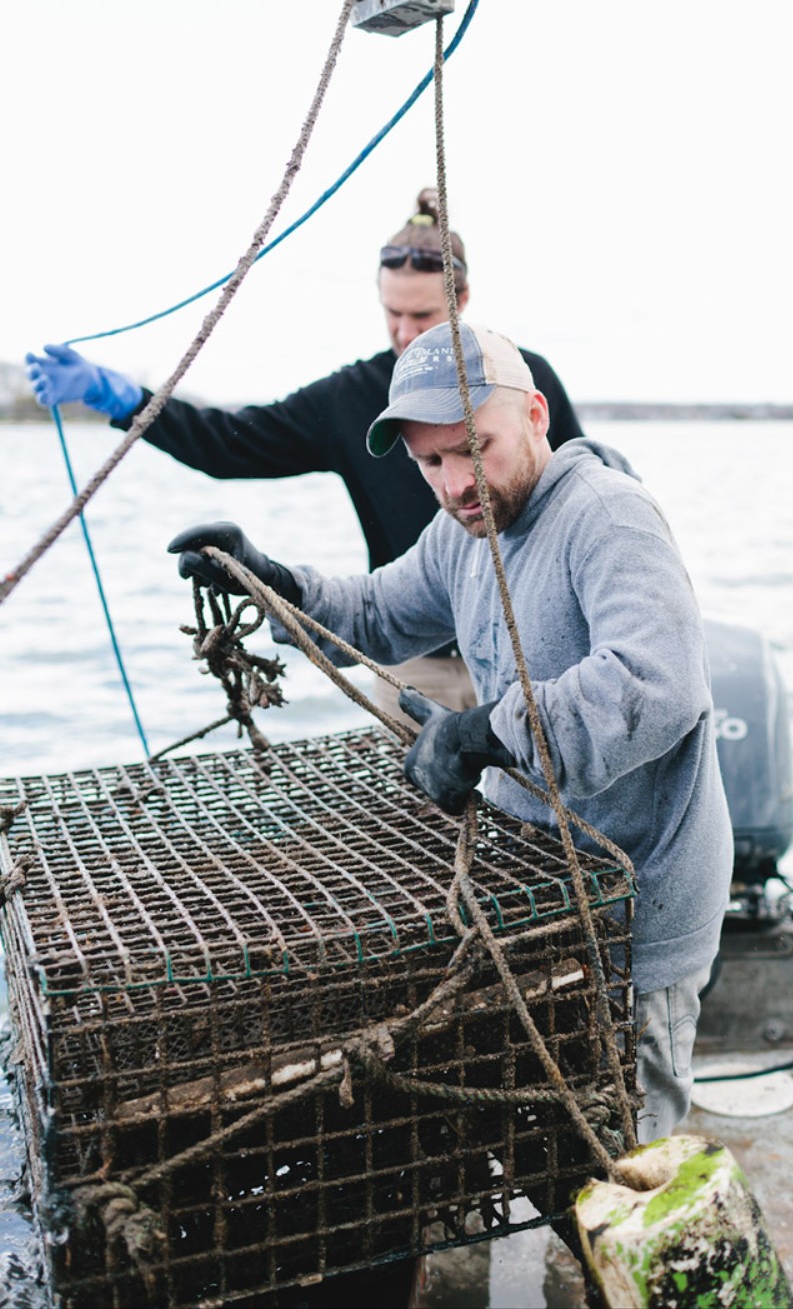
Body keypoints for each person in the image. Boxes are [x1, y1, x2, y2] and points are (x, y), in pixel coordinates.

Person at [168, 320, 734, 1143]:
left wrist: (482, 735)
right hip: (540, 889)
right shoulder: (464, 534)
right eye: (432, 461)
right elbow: (375, 614)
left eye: (475, 448)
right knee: (550, 1131)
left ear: (537, 414)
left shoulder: (607, 517)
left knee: (630, 1149)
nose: (455, 481)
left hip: (638, 907)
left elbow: (655, 685)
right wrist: (270, 580)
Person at [24, 191, 583, 719]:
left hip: (532, 657)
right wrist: (128, 401)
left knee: (536, 816)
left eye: (423, 317)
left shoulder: (519, 381)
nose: (406, 334)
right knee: (423, 815)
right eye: (394, 314)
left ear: (461, 300)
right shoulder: (351, 398)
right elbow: (231, 444)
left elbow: (581, 489)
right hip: (417, 660)